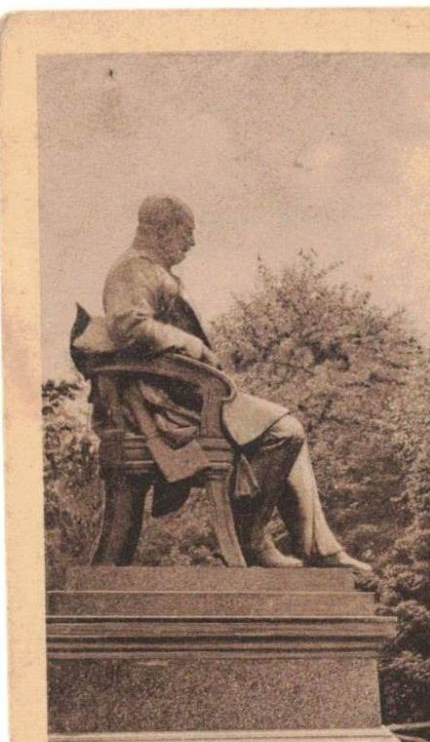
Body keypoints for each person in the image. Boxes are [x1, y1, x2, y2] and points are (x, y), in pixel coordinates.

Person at [94, 194, 370, 573]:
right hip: (164, 406)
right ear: (161, 230)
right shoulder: (134, 269)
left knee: (288, 431)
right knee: (286, 431)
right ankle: (252, 538)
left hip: (180, 397)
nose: (191, 243)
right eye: (186, 233)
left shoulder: (150, 270)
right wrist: (191, 345)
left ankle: (319, 548)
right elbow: (127, 325)